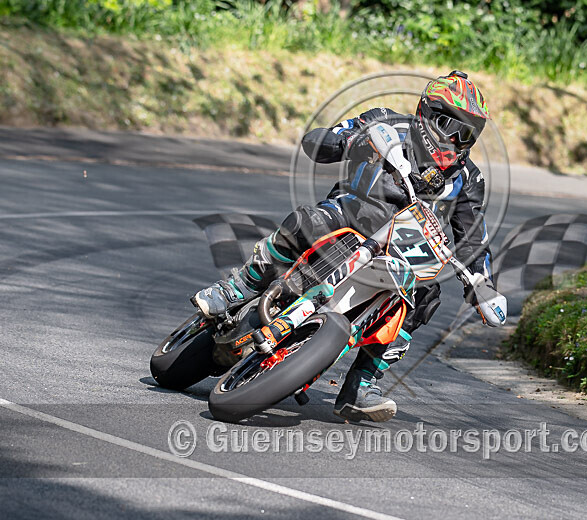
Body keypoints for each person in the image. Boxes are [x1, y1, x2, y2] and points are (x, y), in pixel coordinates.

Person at [193, 70, 501, 422]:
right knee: (307, 222)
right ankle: (237, 288)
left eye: (468, 135)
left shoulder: (468, 179)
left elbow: (473, 236)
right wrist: (351, 141)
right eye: (451, 127)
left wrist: (483, 284)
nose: (458, 141)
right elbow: (318, 142)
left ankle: (361, 383)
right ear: (426, 113)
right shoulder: (384, 123)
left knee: (426, 296)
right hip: (349, 216)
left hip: (401, 250)